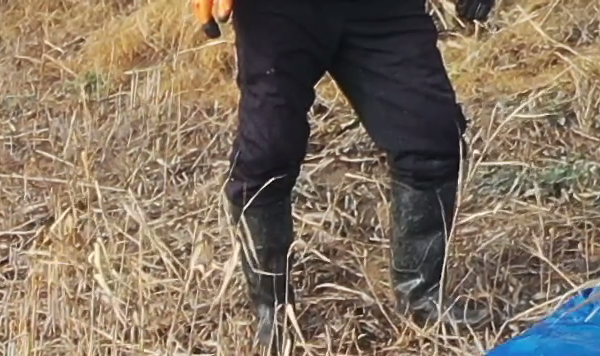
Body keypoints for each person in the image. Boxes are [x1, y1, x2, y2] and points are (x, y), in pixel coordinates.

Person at [199, 0, 494, 338]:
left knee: (431, 135)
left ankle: (423, 300)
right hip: (278, 13)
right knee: (267, 152)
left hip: (380, 12)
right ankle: (273, 314)